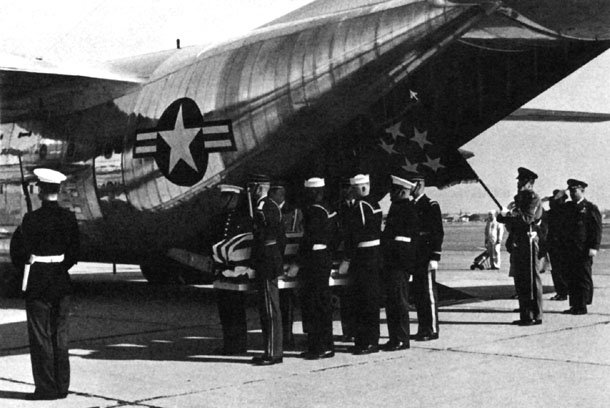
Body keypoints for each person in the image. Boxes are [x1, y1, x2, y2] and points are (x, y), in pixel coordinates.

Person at [20, 168, 79, 400]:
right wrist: (59, 267)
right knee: (60, 335)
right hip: (61, 281)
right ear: (58, 189)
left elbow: (21, 252)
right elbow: (74, 253)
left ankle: (46, 388)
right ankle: (62, 386)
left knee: (40, 336)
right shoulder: (69, 218)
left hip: (38, 281)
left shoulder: (31, 219)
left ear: (40, 191)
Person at [293, 177, 336, 359]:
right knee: (323, 304)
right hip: (324, 258)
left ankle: (318, 346)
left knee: (314, 304)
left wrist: (297, 263)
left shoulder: (314, 211)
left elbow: (308, 239)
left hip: (313, 260)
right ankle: (325, 345)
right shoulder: (329, 209)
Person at [340, 174, 383, 354]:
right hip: (374, 255)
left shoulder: (361, 206)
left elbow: (355, 235)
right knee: (371, 300)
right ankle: (371, 339)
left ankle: (366, 341)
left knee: (364, 300)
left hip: (363, 257)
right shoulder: (376, 205)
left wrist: (347, 259)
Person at [497, 167, 544, 326]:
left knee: (530, 279)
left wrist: (509, 215)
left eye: (522, 181)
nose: (518, 183)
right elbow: (502, 219)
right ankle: (525, 313)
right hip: (517, 241)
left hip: (528, 241)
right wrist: (504, 214)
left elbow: (527, 218)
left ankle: (535, 315)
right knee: (520, 280)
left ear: (529, 184)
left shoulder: (533, 198)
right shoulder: (517, 200)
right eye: (519, 181)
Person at [248, 173, 285, 365]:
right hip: (270, 261)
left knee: (270, 309)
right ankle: (270, 350)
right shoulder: (271, 207)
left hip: (266, 262)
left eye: (253, 187)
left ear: (259, 188)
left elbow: (265, 238)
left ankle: (273, 353)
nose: (251, 191)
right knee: (268, 308)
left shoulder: (264, 207)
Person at [208, 184, 250, 355]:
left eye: (226, 197)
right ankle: (229, 343)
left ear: (235, 198)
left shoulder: (243, 219)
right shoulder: (220, 218)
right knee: (225, 309)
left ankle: (238, 343)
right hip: (222, 270)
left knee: (235, 309)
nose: (223, 200)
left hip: (235, 271)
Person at [380, 175, 417, 351]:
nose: (390, 195)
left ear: (402, 191)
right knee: (392, 301)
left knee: (399, 302)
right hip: (393, 262)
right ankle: (395, 337)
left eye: (393, 191)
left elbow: (402, 239)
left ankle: (401, 338)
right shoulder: (398, 207)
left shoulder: (406, 209)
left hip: (399, 262)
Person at [407, 173, 444, 341]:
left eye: (412, 184)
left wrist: (435, 256)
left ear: (419, 184)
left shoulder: (430, 205)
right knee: (419, 293)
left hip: (426, 255)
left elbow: (437, 232)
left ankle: (432, 329)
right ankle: (423, 327)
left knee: (428, 294)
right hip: (415, 255)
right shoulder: (411, 205)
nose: (409, 188)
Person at [561, 179, 602, 315]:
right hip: (570, 249)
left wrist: (594, 247)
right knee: (572, 277)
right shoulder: (568, 207)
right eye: (570, 191)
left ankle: (582, 305)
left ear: (582, 191)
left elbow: (596, 229)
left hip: (584, 249)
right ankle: (574, 304)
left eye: (574, 191)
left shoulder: (590, 208)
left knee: (583, 277)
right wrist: (559, 196)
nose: (572, 194)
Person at [269, 180, 298, 348]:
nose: (272, 196)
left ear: (282, 194)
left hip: (287, 263)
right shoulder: (268, 210)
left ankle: (287, 337)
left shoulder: (293, 212)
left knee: (286, 301)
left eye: (275, 192)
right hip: (275, 261)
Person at [335, 177, 357, 342]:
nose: (344, 191)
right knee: (345, 296)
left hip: (357, 256)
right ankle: (348, 331)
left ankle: (357, 331)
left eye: (346, 187)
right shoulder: (338, 207)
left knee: (358, 295)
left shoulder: (360, 206)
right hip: (343, 254)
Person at [546, 189, 569, 301]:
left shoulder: (567, 211)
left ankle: (563, 292)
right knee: (557, 270)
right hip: (554, 246)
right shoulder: (551, 213)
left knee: (561, 270)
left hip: (563, 246)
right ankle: (562, 292)